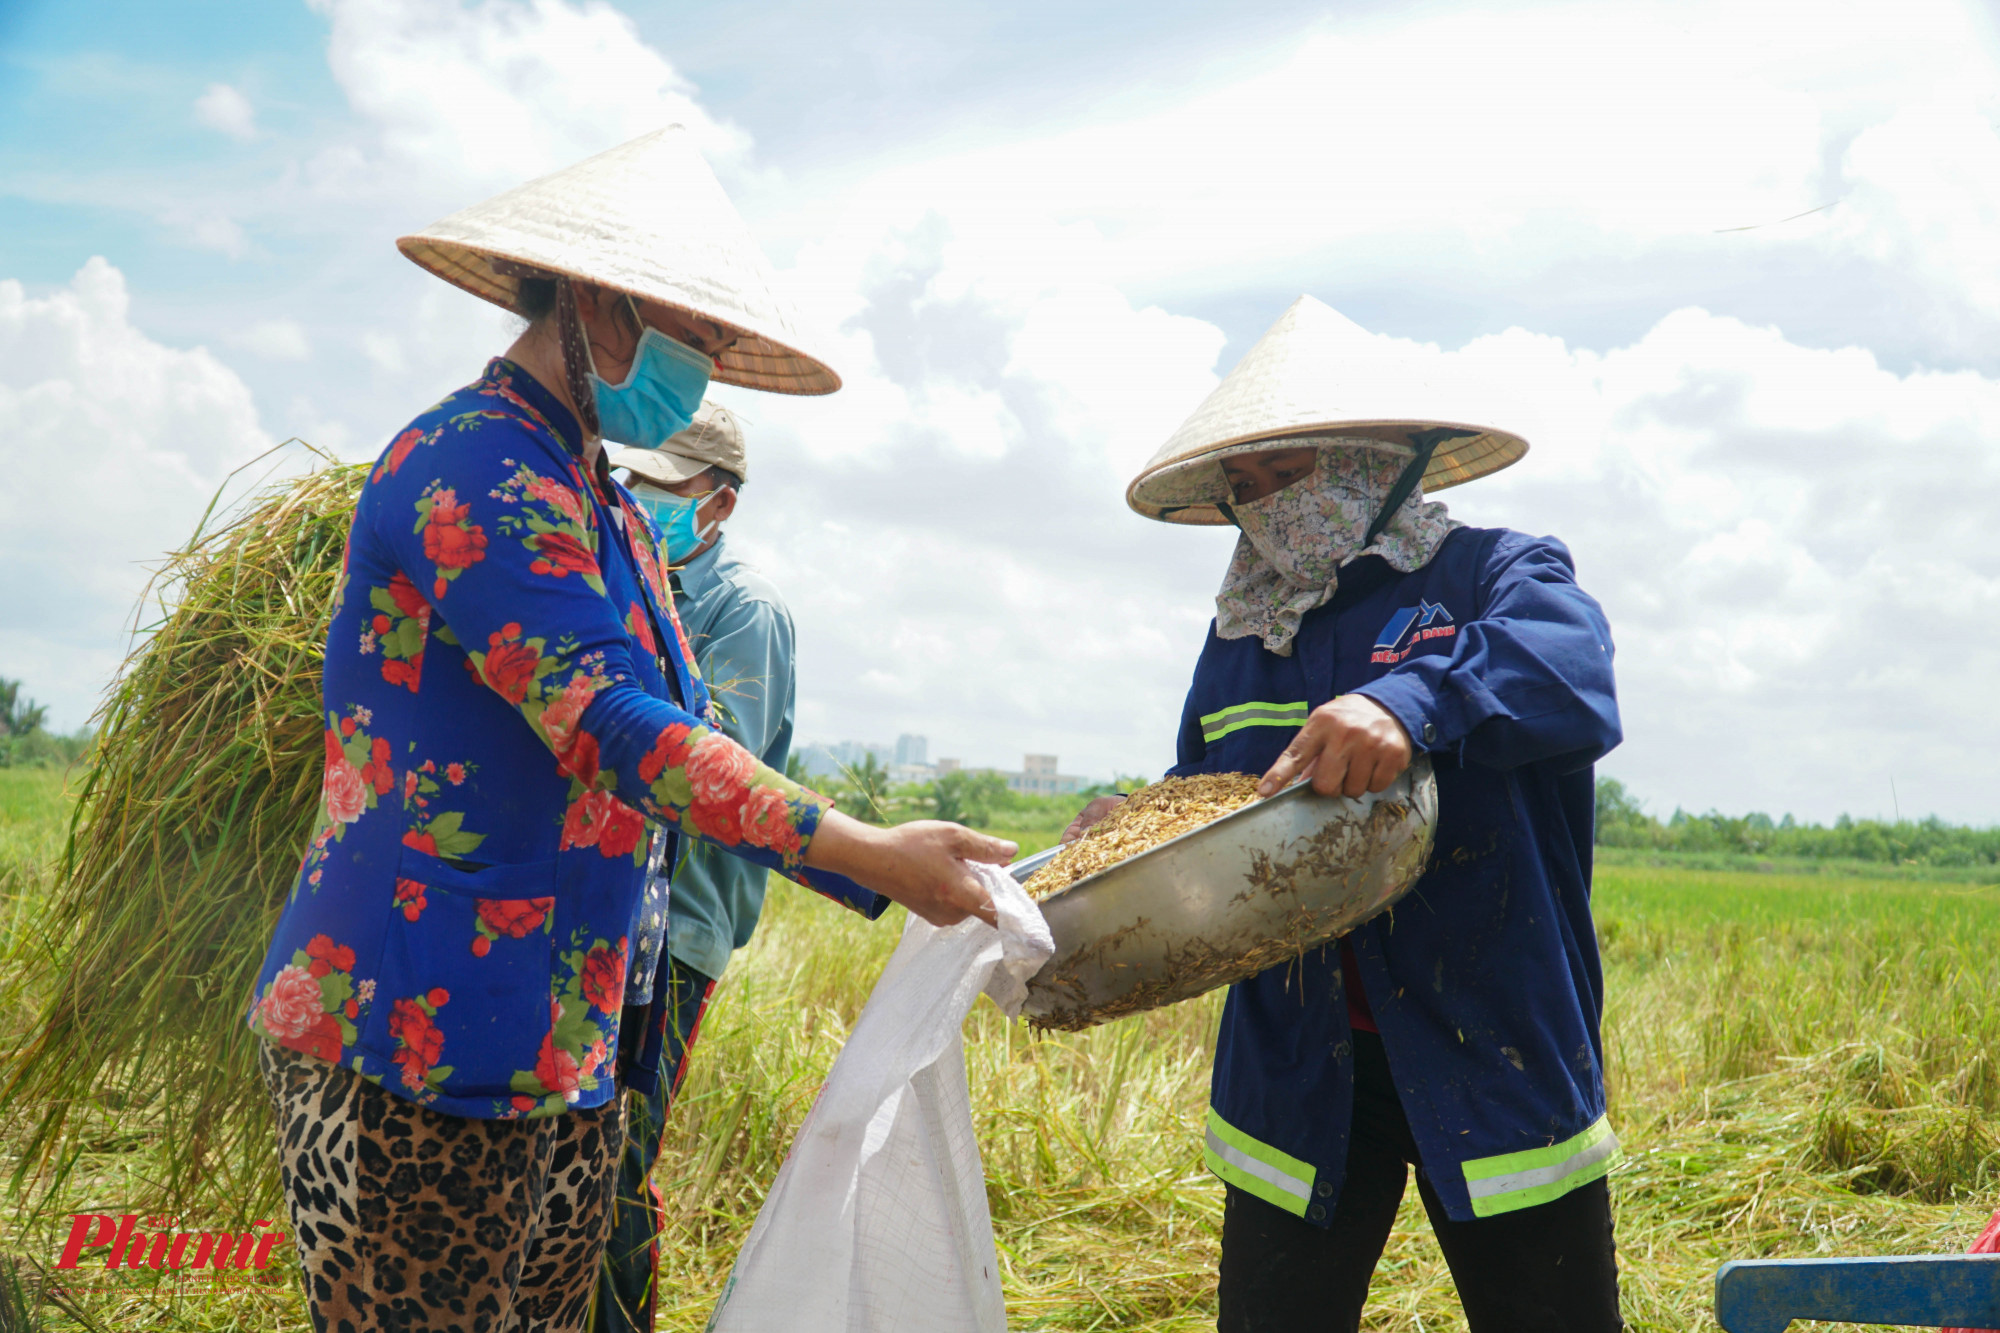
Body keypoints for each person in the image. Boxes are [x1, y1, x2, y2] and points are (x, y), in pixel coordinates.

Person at [245, 127, 1012, 1333]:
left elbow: (692, 737)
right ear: (599, 301)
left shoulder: (601, 497)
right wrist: (861, 850)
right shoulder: (471, 468)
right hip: (417, 1033)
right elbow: (615, 729)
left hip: (568, 1031)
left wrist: (874, 854)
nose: (700, 369)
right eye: (692, 337)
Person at [1070, 296, 1624, 1333]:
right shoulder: (1245, 629)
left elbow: (1571, 672)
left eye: (1295, 471)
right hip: (1300, 1053)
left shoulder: (1494, 574)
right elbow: (1218, 790)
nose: (1268, 502)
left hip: (1487, 1027)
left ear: (1379, 461)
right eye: (1246, 484)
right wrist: (1140, 819)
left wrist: (1405, 702)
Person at [591, 404, 796, 1332]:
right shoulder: (630, 575)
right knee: (572, 1146)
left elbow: (729, 780)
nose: (640, 500)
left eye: (664, 488)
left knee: (619, 1157)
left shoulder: (743, 610)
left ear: (717, 505)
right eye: (634, 483)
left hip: (677, 927)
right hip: (604, 904)